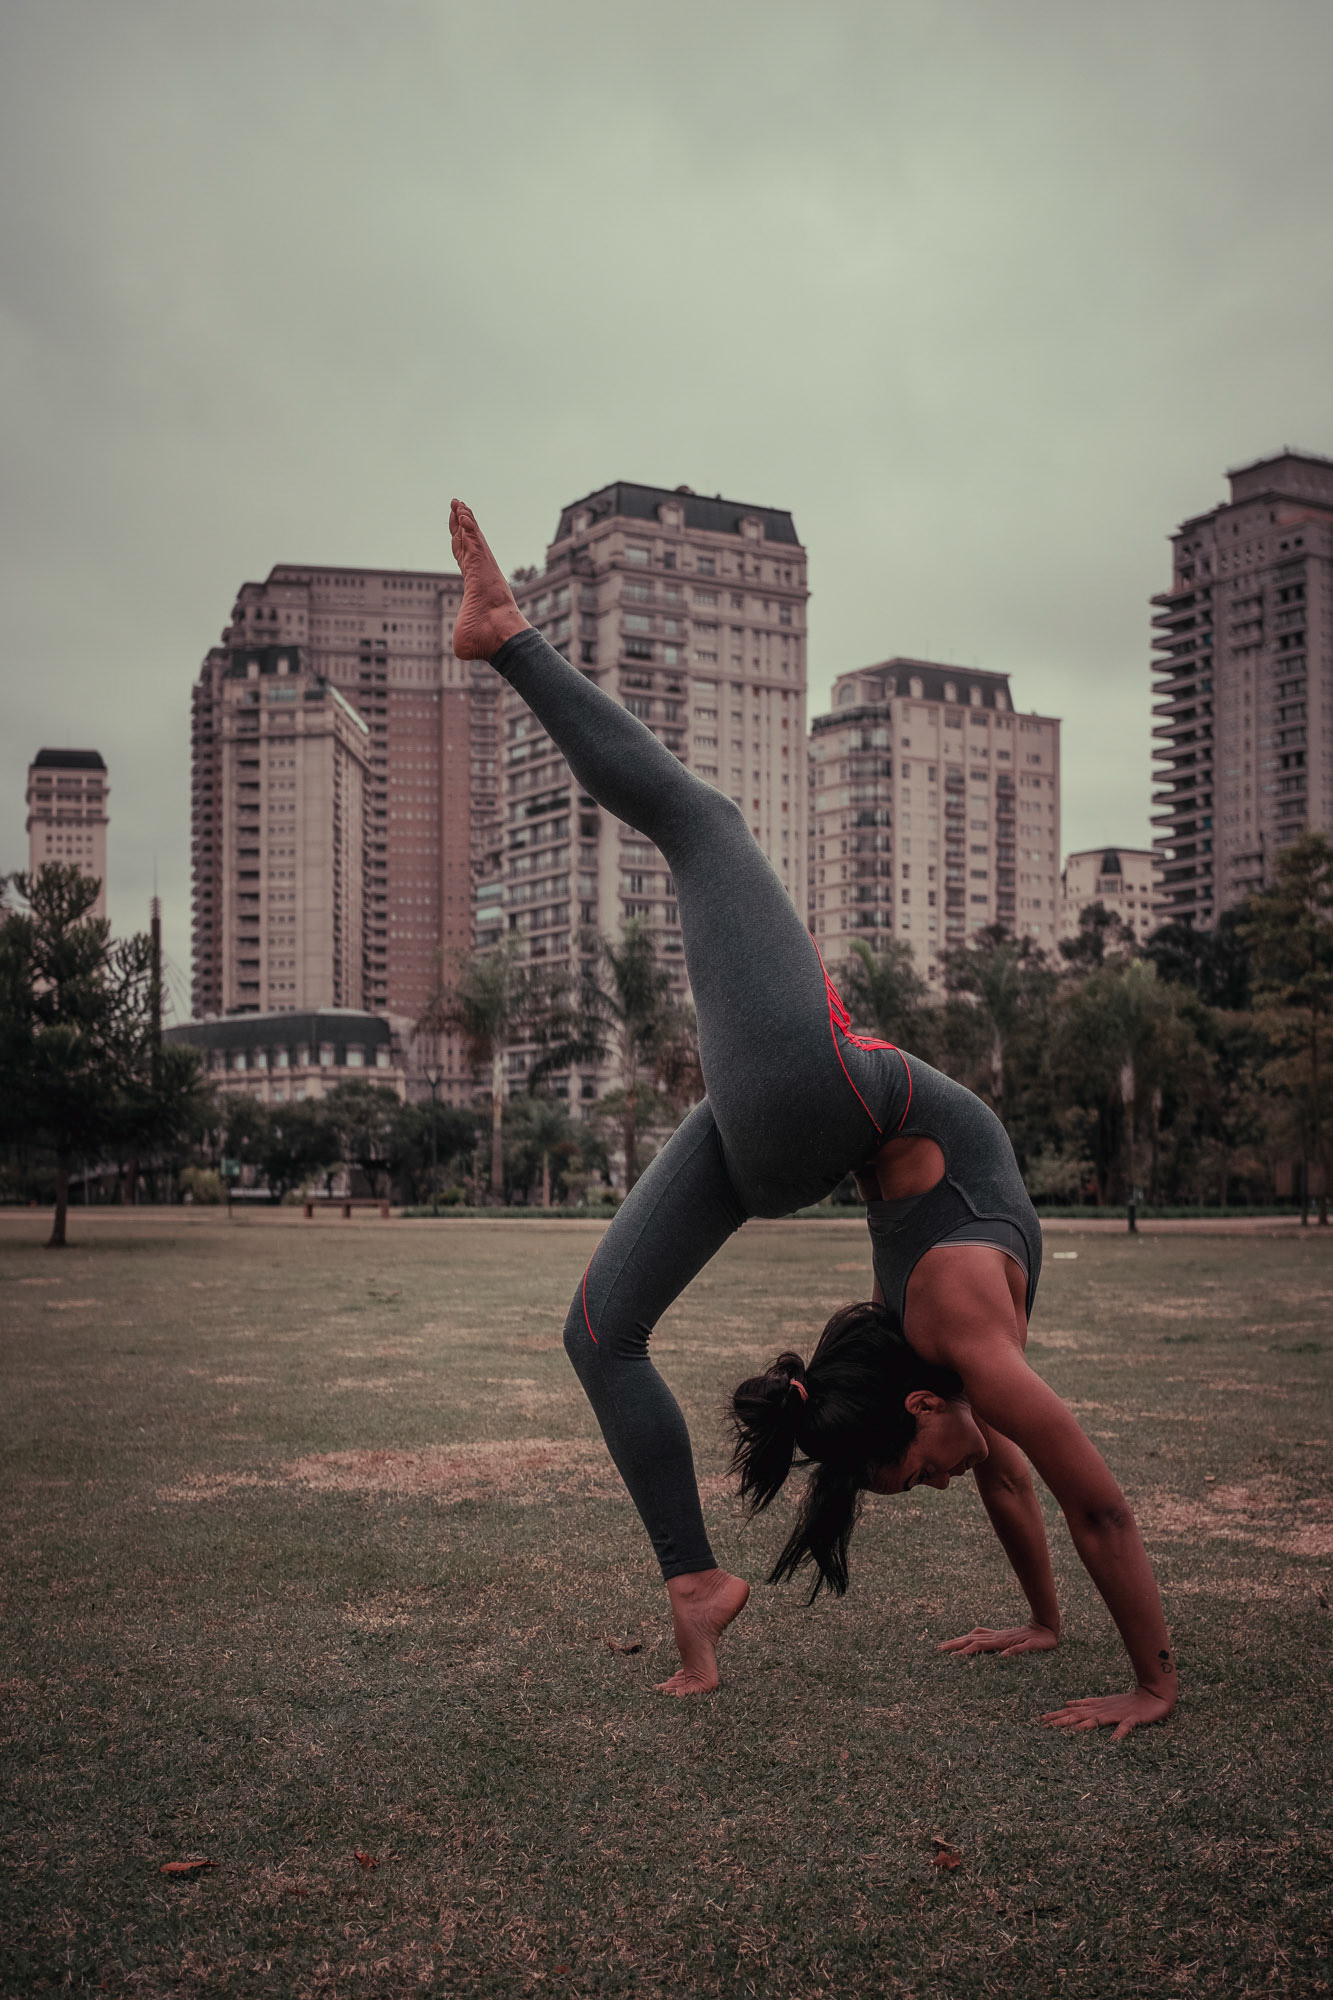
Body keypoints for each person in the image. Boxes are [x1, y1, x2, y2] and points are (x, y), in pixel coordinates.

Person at [450, 499, 1176, 1737]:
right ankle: (695, 1580)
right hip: (807, 1100)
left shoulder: (949, 1361)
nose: (952, 1476)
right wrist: (1149, 1681)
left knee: (703, 831)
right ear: (916, 1407)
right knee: (598, 1327)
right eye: (927, 1469)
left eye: (917, 1477)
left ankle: (510, 635)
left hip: (801, 1117)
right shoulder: (960, 1337)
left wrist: (1049, 1620)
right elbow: (1087, 1500)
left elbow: (1006, 1475)